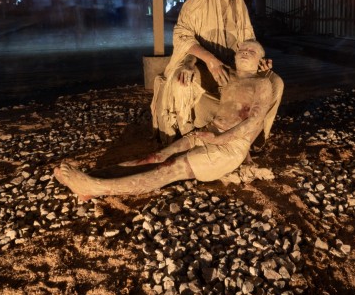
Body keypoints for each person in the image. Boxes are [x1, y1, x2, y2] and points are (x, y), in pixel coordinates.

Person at [54, 40, 274, 200]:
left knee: (169, 169)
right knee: (157, 157)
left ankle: (95, 186)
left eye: (251, 51)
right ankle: (92, 177)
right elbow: (190, 46)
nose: (245, 53)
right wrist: (189, 63)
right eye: (242, 50)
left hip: (228, 147)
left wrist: (219, 140)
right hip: (207, 133)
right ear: (235, 56)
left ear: (260, 59)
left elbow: (253, 122)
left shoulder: (262, 84)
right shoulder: (227, 75)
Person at [150, 0, 284, 147]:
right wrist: (210, 60)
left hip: (233, 66)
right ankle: (184, 139)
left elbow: (248, 39)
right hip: (199, 63)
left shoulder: (238, 5)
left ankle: (255, 135)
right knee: (182, 83)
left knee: (275, 81)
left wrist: (257, 58)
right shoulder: (197, 1)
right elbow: (182, 36)